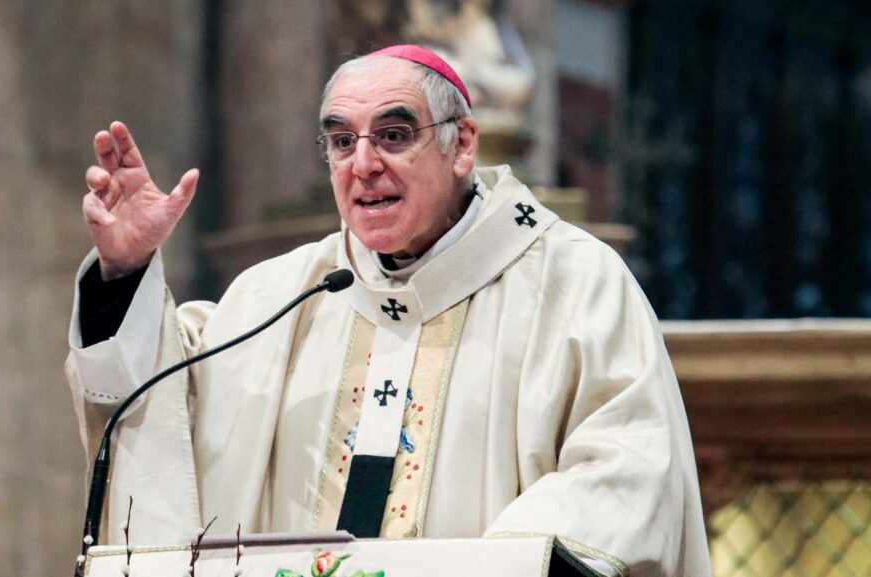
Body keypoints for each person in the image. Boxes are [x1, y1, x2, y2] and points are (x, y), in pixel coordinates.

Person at [66, 45, 711, 577]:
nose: (364, 165)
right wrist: (124, 274)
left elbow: (625, 468)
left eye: (394, 136)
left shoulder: (573, 281)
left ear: (462, 145)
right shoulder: (282, 294)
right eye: (341, 142)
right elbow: (161, 411)